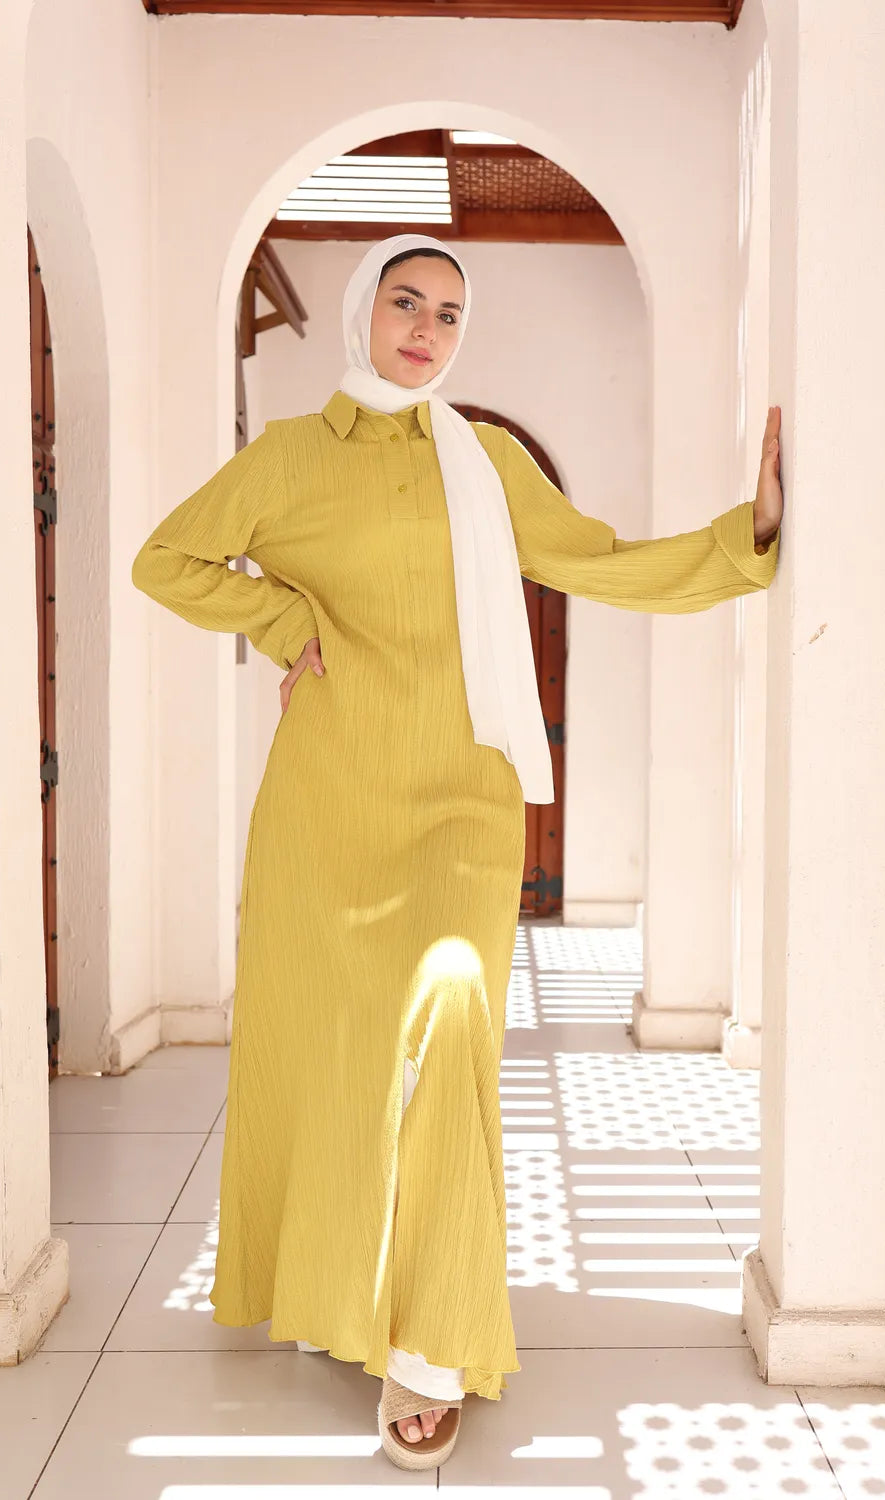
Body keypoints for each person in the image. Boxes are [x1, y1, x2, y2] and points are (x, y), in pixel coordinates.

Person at [131, 231, 783, 1471]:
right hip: (328, 806)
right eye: (406, 302)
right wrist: (281, 618)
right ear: (361, 316)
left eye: (449, 313)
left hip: (465, 803)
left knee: (450, 1022)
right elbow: (163, 558)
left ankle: (429, 1346)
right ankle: (343, 1296)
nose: (427, 329)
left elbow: (594, 561)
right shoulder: (286, 459)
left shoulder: (483, 463)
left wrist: (741, 539)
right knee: (335, 1057)